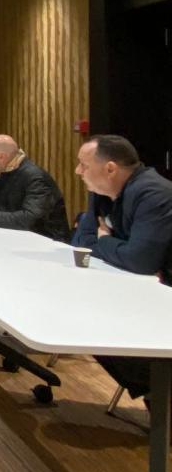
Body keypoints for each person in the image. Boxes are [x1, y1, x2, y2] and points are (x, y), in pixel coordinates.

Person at [73, 135, 172, 400]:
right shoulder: (101, 191)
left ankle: (159, 394)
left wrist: (104, 239)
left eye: (84, 165)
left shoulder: (153, 193)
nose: (78, 171)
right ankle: (154, 394)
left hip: (162, 295)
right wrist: (110, 244)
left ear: (110, 169)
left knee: (96, 323)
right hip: (137, 285)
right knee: (82, 320)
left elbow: (139, 260)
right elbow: (82, 243)